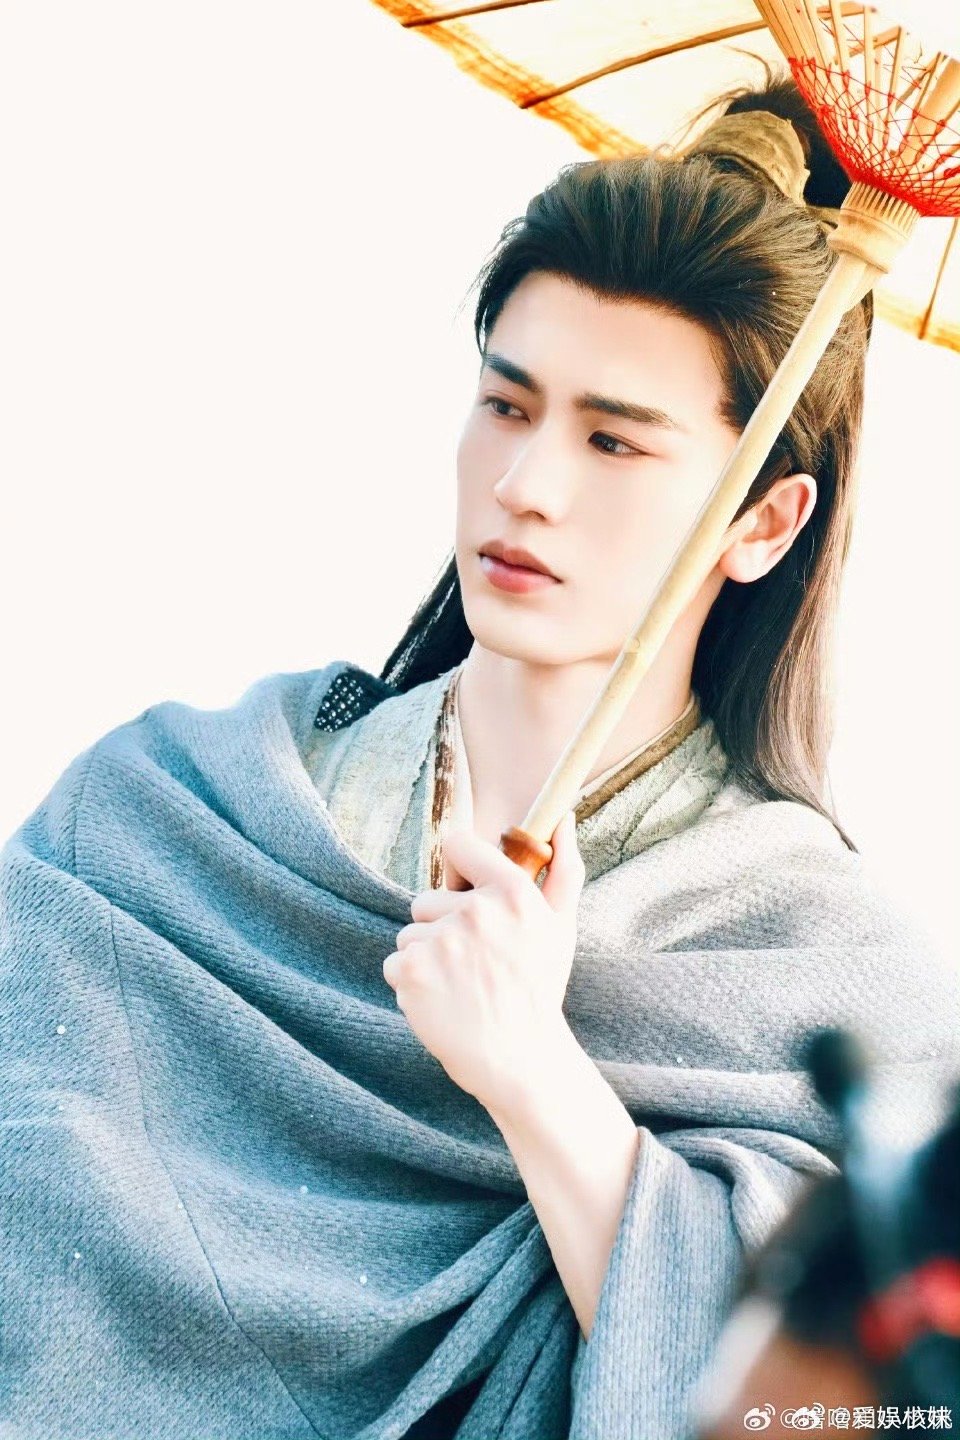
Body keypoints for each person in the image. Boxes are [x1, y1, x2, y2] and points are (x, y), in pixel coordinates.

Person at [1, 78, 956, 1440]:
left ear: (764, 521)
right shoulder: (161, 821)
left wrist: (535, 1080)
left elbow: (845, 1415)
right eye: (508, 406)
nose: (526, 487)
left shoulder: (838, 982)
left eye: (613, 439)